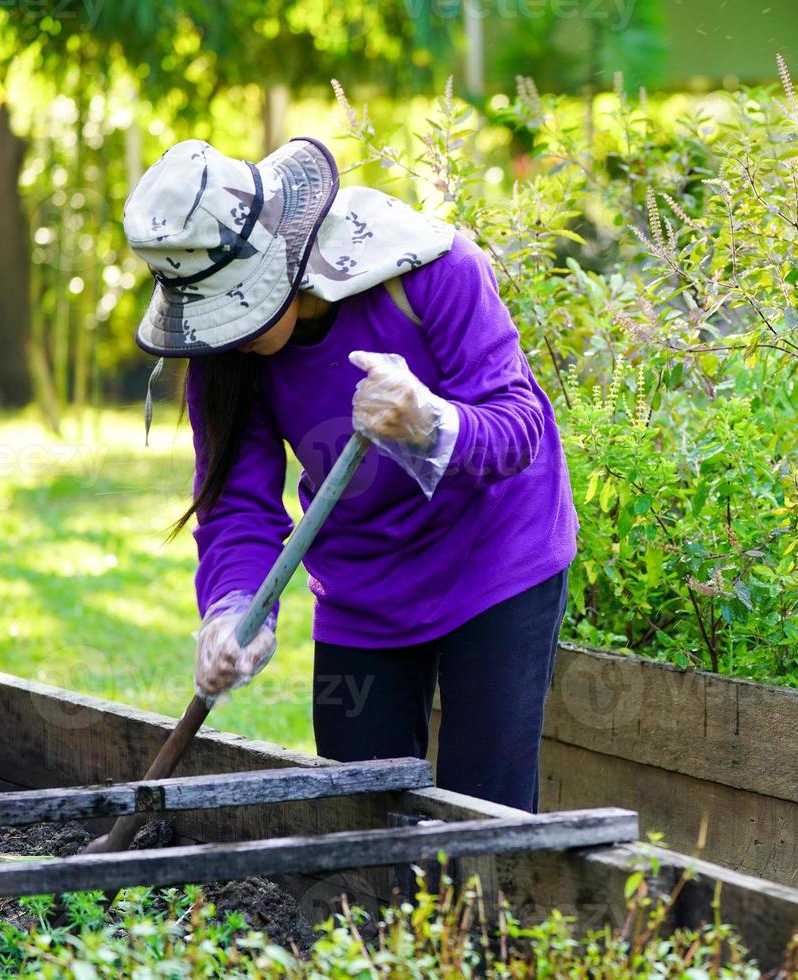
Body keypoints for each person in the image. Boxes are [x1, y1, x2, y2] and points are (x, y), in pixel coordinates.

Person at [121, 136, 578, 812]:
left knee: (483, 823)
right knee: (356, 825)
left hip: (494, 561)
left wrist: (429, 420)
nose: (222, 331)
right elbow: (239, 507)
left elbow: (518, 428)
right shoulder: (226, 354)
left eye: (232, 305)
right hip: (364, 585)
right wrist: (232, 612)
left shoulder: (432, 269)